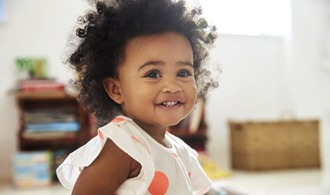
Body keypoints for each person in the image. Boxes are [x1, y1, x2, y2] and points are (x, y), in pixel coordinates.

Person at [56, 0, 218, 194]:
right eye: (153, 74)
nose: (172, 86)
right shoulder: (123, 146)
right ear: (116, 90)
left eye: (183, 73)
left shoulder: (182, 151)